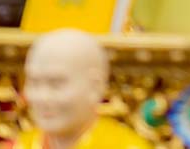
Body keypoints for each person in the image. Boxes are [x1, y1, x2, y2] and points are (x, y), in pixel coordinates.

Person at [14, 29, 148, 149]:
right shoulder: (22, 145)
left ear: (95, 87)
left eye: (56, 84)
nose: (43, 97)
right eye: (34, 83)